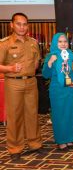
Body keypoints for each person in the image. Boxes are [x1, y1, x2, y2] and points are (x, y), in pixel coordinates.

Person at [0, 13, 43, 161]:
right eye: (18, 24)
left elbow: (37, 62)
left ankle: (35, 143)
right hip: (13, 83)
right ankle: (15, 147)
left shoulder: (33, 42)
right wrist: (10, 69)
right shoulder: (4, 43)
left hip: (31, 82)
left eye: (24, 24)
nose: (22, 27)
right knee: (15, 116)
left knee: (32, 114)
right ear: (11, 25)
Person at [42, 33, 73, 150]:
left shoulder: (71, 55)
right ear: (54, 43)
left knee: (71, 113)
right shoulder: (51, 55)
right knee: (60, 115)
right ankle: (61, 140)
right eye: (60, 41)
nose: (63, 44)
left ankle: (70, 139)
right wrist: (49, 63)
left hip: (71, 89)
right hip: (57, 90)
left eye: (65, 41)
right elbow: (45, 74)